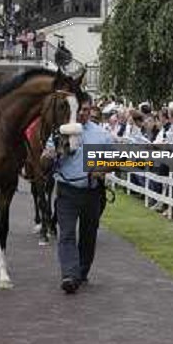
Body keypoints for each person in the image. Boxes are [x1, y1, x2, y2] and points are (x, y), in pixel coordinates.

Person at [44, 92, 113, 294]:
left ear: (91, 110)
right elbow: (44, 161)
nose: (82, 113)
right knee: (66, 234)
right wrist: (51, 154)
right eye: (79, 109)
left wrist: (102, 169)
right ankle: (69, 275)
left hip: (92, 191)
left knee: (88, 235)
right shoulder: (60, 132)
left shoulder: (102, 134)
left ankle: (81, 272)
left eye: (86, 109)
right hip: (67, 190)